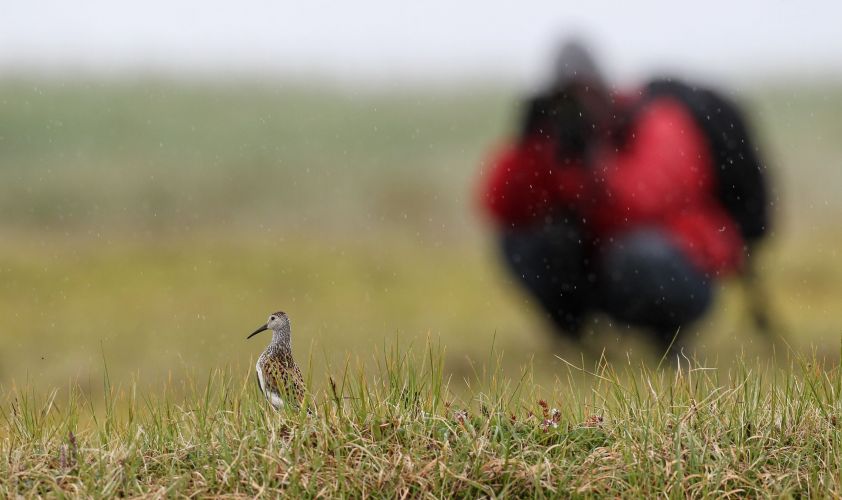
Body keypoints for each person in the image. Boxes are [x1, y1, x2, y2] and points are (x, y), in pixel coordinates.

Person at [479, 41, 769, 355]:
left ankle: (669, 337)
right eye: (565, 97)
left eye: (583, 91)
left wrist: (593, 165)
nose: (577, 106)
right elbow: (503, 207)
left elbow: (644, 201)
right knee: (524, 242)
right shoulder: (561, 142)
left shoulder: (657, 119)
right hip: (603, 270)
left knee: (637, 256)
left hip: (679, 261)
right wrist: (528, 146)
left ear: (603, 86)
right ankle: (577, 340)